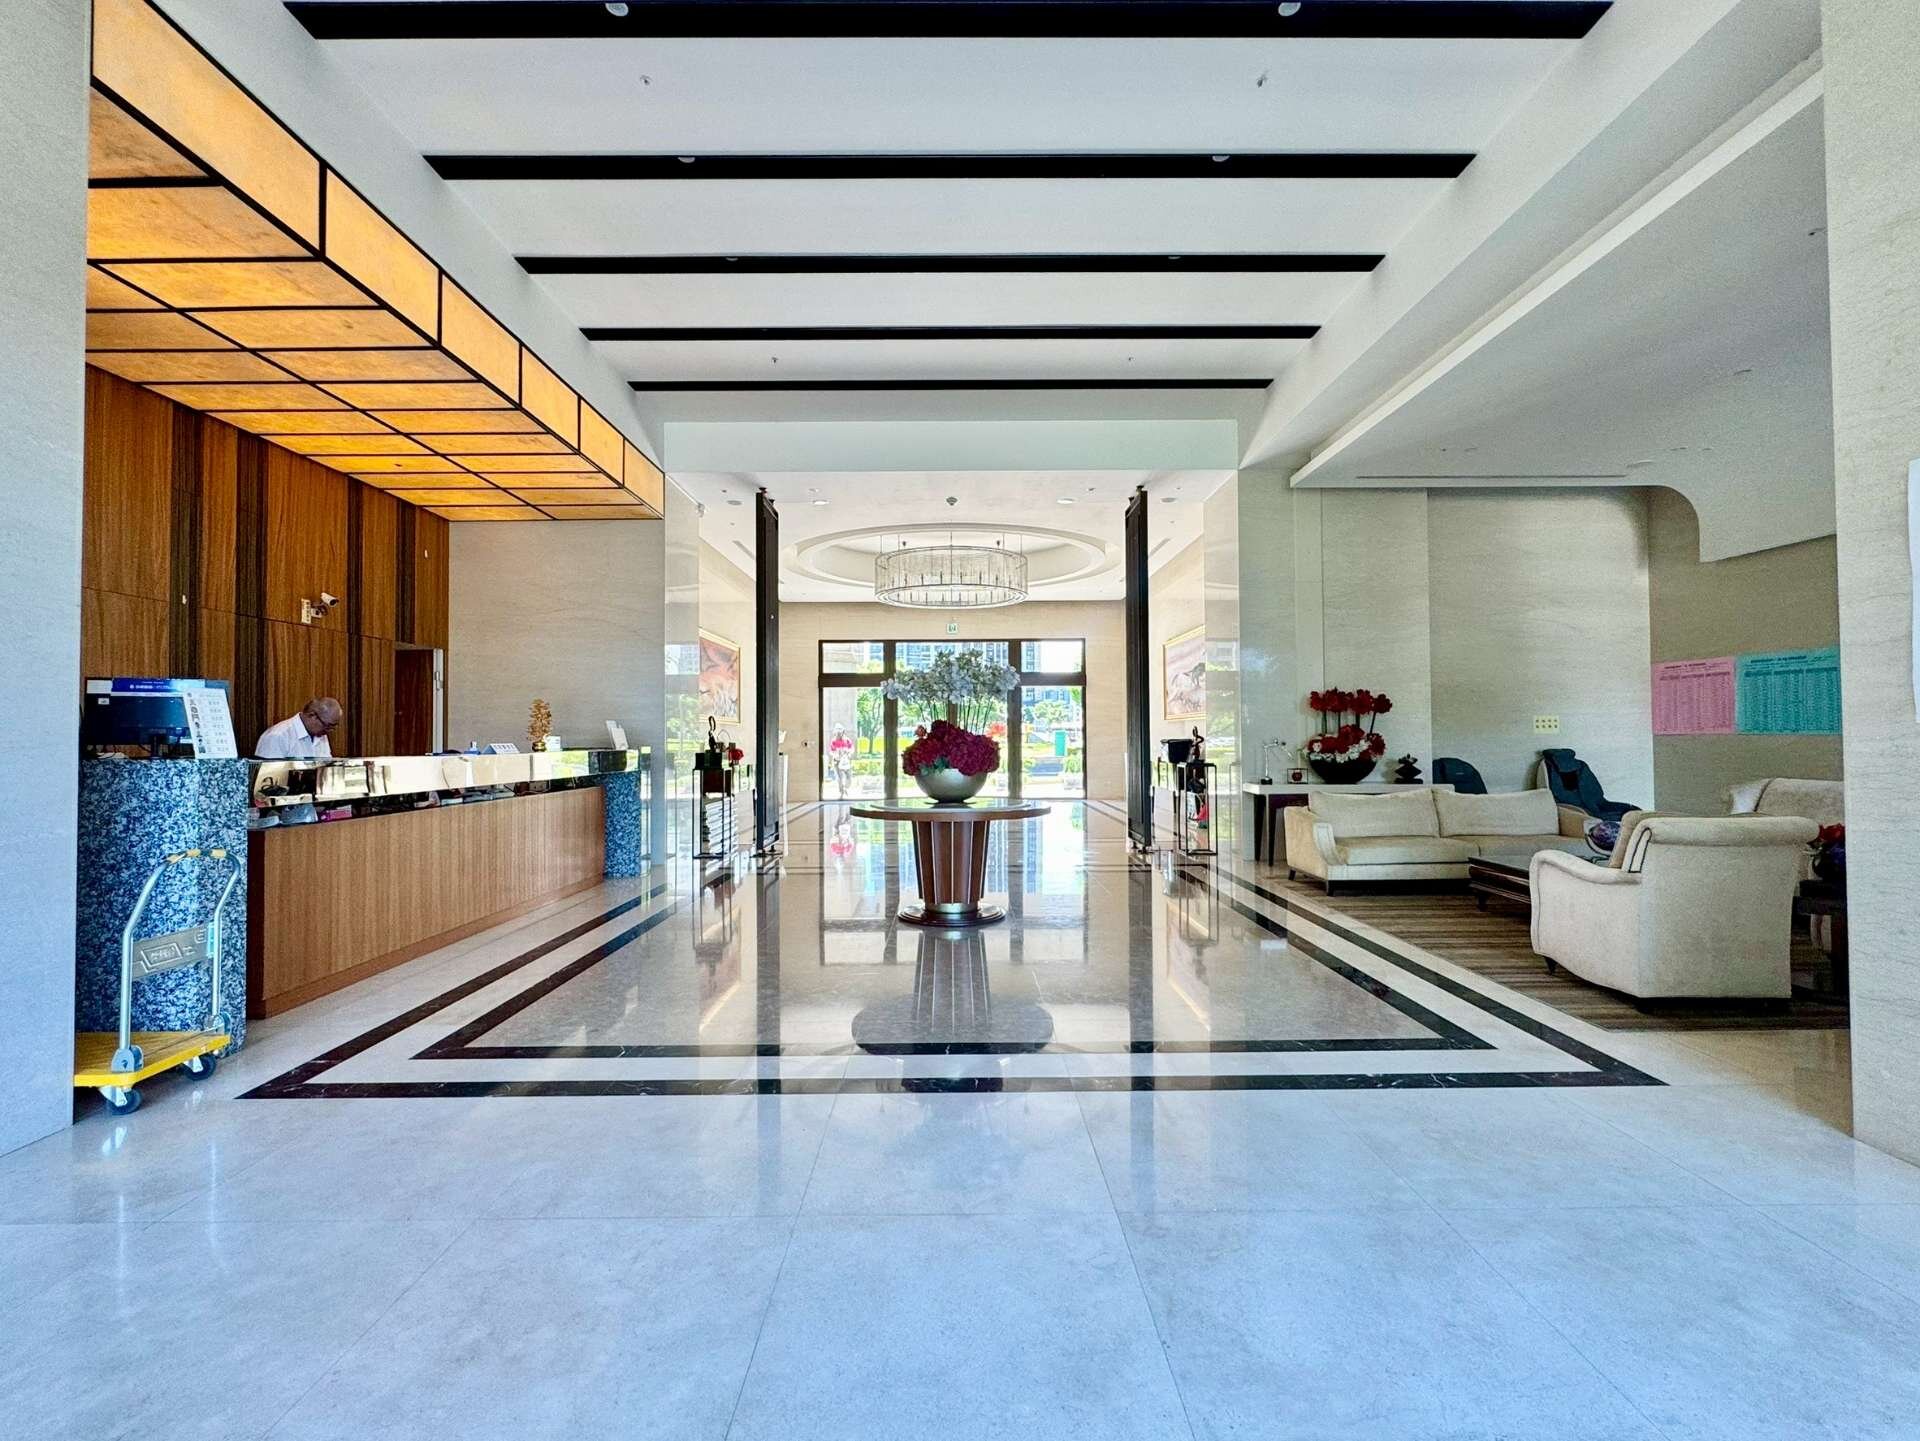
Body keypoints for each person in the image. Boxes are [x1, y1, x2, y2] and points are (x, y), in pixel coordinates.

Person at [257, 696, 342, 759]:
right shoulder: (277, 736)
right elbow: (268, 776)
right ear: (312, 715)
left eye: (333, 727)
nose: (329, 731)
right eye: (327, 726)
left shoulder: (320, 734)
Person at [828, 724, 854, 799]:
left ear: (843, 732)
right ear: (835, 732)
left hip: (846, 761)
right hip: (837, 761)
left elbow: (852, 749)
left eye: (840, 732)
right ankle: (841, 793)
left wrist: (848, 752)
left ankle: (845, 788)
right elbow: (831, 751)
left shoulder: (847, 740)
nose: (839, 734)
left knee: (849, 777)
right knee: (839, 778)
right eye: (837, 732)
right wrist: (836, 754)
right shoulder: (834, 741)